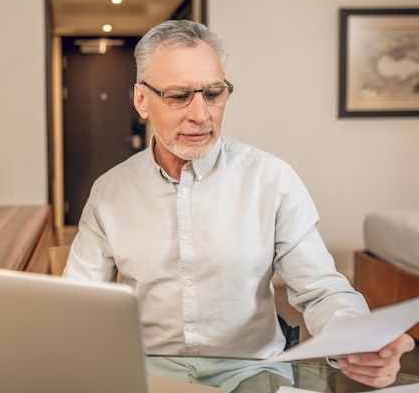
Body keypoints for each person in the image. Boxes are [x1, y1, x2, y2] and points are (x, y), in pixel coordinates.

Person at [62, 19, 414, 389]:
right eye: (179, 96)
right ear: (141, 100)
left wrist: (359, 340)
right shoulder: (109, 192)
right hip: (149, 373)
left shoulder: (272, 180)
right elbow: (78, 306)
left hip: (251, 372)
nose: (201, 115)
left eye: (213, 94)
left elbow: (322, 289)